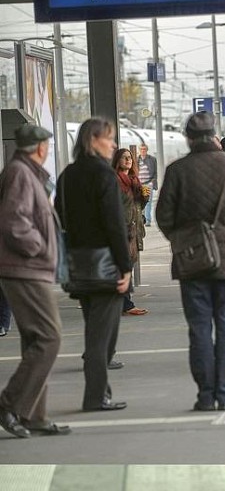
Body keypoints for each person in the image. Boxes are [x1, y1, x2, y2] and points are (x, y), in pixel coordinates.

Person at [156, 111, 225, 411]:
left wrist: (183, 242)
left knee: (199, 329)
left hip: (192, 263)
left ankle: (205, 396)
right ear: (214, 135)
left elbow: (164, 216)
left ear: (189, 138)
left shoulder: (177, 170)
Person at [55, 118, 132, 412]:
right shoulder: (104, 175)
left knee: (95, 330)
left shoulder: (67, 175)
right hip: (105, 265)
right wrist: (125, 268)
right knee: (102, 338)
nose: (113, 145)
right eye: (109, 139)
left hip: (78, 263)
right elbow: (114, 225)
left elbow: (59, 216)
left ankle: (101, 392)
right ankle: (95, 396)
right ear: (93, 140)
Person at [0, 124, 70, 437]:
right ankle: (9, 404)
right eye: (47, 145)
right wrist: (40, 249)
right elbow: (14, 223)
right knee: (49, 337)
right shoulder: (20, 173)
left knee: (35, 339)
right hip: (25, 269)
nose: (49, 150)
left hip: (27, 268)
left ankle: (34, 415)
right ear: (39, 147)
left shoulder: (25, 172)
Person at [112, 148, 149, 317]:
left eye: (130, 158)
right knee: (123, 266)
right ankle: (125, 303)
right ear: (117, 161)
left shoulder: (134, 181)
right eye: (124, 157)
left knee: (126, 265)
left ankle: (123, 302)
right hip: (121, 229)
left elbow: (137, 206)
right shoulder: (115, 180)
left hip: (133, 229)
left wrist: (144, 197)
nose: (128, 160)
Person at [137, 144, 157, 227]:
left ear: (147, 150)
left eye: (144, 149)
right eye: (141, 149)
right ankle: (142, 219)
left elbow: (155, 172)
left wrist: (152, 182)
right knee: (140, 202)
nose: (143, 151)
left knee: (148, 202)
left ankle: (148, 220)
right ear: (139, 150)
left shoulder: (152, 159)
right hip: (139, 185)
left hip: (147, 184)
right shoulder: (136, 160)